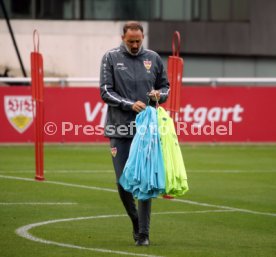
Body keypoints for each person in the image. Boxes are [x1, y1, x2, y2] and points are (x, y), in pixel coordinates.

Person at [99, 21, 170, 246]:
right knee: (123, 181)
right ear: (123, 38)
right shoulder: (110, 58)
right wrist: (129, 104)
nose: (135, 45)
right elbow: (105, 91)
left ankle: (144, 233)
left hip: (147, 129)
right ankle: (135, 220)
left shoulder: (154, 58)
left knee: (145, 181)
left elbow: (166, 88)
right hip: (120, 128)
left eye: (138, 40)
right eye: (131, 41)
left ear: (143, 37)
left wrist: (159, 94)